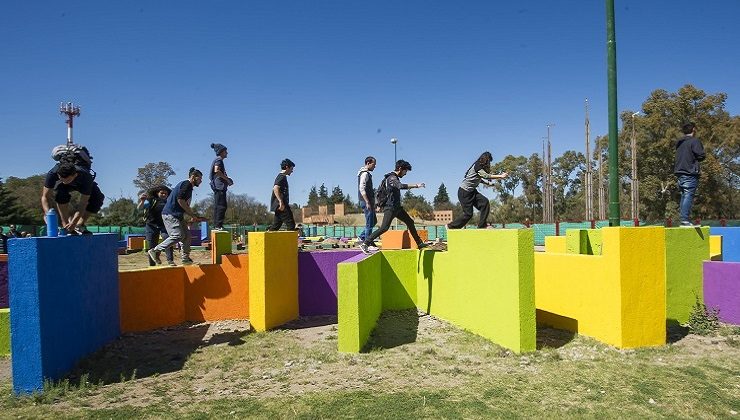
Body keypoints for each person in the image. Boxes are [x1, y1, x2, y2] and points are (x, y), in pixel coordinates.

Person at [359, 159, 427, 254]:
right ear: (400, 169)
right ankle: (365, 243)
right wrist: (416, 185)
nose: (405, 174)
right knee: (384, 228)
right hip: (390, 207)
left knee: (410, 222)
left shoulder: (394, 177)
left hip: (397, 208)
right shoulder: (391, 178)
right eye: (405, 171)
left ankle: (419, 243)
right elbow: (400, 186)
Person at [148, 168, 207, 265]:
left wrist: (194, 217)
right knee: (177, 236)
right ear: (193, 177)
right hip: (170, 214)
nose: (201, 181)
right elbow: (180, 200)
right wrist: (192, 215)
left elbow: (184, 205)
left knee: (187, 236)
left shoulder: (188, 187)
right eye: (199, 178)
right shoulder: (186, 184)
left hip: (177, 215)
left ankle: (185, 258)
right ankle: (155, 250)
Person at [447, 151, 508, 229]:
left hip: (472, 192)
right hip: (464, 192)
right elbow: (485, 176)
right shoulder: (478, 166)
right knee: (468, 214)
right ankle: (450, 226)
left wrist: (490, 184)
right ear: (486, 160)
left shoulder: (479, 167)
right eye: (489, 162)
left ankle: (482, 225)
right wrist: (501, 176)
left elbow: (479, 179)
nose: (489, 164)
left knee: (485, 202)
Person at [41, 162, 105, 235]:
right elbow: (45, 197)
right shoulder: (52, 174)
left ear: (75, 175)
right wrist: (48, 214)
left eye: (67, 180)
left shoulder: (86, 177)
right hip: (62, 187)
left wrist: (74, 222)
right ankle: (66, 225)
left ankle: (79, 225)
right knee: (61, 193)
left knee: (97, 198)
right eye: (62, 179)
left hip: (80, 183)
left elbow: (83, 203)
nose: (65, 182)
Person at [674, 122, 706, 227]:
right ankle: (684, 220)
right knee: (688, 194)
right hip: (689, 172)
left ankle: (684, 219)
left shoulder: (679, 143)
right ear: (693, 130)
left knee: (684, 194)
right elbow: (701, 155)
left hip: (679, 172)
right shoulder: (694, 141)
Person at [138, 185, 175, 266]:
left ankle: (170, 261)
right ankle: (152, 264)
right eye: (162, 193)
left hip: (164, 225)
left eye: (166, 193)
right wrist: (142, 201)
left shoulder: (168, 202)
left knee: (168, 240)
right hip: (151, 225)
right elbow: (140, 208)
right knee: (151, 245)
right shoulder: (151, 200)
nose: (164, 195)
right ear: (157, 193)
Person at [267, 159, 297, 231]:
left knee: (276, 225)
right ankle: (290, 242)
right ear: (287, 167)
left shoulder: (282, 176)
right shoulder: (282, 176)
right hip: (281, 205)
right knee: (291, 224)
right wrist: (280, 201)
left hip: (278, 205)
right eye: (291, 169)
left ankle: (267, 238)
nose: (292, 171)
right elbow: (276, 188)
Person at [210, 143, 233, 230]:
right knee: (221, 206)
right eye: (225, 151)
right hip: (219, 187)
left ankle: (217, 224)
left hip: (219, 186)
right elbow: (217, 171)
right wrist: (227, 179)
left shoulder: (219, 160)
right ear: (221, 152)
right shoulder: (219, 160)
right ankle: (218, 225)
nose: (227, 153)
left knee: (218, 205)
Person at [357, 156, 378, 248]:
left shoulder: (367, 174)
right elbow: (361, 188)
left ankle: (362, 237)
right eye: (374, 164)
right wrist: (367, 202)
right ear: (368, 163)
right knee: (370, 223)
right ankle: (367, 243)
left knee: (374, 221)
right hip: (366, 202)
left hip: (369, 201)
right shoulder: (364, 174)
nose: (375, 166)